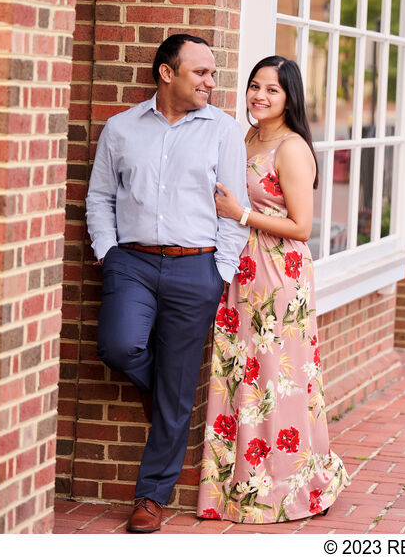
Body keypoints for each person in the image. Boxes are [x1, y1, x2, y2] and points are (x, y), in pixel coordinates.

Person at [86, 34, 250, 533]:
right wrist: (108, 252)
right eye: (200, 72)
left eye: (212, 73)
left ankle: (151, 497)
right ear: (167, 73)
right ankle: (174, 397)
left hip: (195, 268)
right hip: (130, 263)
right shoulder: (120, 129)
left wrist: (217, 272)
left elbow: (232, 209)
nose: (210, 81)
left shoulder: (223, 131)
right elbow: (99, 198)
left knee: (179, 381)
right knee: (118, 346)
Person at [197, 55, 350, 523]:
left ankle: (287, 489)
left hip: (279, 275)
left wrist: (239, 215)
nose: (259, 96)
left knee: (276, 378)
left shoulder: (291, 148)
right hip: (241, 272)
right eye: (254, 86)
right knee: (242, 375)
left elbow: (302, 226)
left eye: (272, 90)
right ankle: (240, 489)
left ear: (290, 98)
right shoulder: (246, 137)